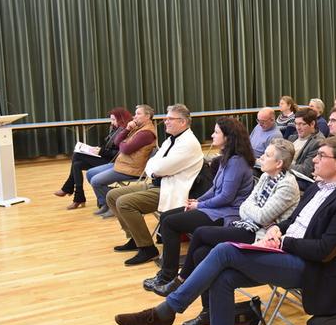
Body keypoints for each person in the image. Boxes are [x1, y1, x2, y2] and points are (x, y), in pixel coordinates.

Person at [115, 137, 336, 325]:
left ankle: (167, 311)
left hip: (309, 268)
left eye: (321, 155)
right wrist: (278, 229)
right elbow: (296, 221)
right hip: (285, 251)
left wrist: (283, 242)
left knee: (223, 251)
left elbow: (324, 251)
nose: (315, 159)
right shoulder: (317, 188)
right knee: (222, 278)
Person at [146, 139, 300, 325]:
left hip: (258, 236)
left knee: (201, 233)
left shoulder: (287, 185)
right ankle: (207, 311)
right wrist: (251, 210)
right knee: (201, 252)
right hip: (245, 224)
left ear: (279, 163)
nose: (262, 157)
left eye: (268, 155)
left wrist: (251, 210)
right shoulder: (265, 177)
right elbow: (245, 208)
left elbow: (261, 216)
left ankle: (181, 279)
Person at [144, 117, 255, 273]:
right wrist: (198, 200)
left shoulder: (236, 162)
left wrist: (199, 205)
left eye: (216, 132)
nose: (212, 135)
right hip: (216, 208)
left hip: (226, 214)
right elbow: (215, 188)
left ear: (228, 137)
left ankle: (168, 274)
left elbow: (226, 197)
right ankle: (167, 272)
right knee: (166, 217)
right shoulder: (227, 158)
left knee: (170, 223)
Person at [106, 104, 204, 265]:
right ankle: (135, 238)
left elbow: (159, 167)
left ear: (183, 122)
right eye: (166, 118)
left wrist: (155, 169)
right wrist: (155, 170)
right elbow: (153, 164)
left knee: (124, 203)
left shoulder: (189, 143)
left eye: (170, 119)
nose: (165, 122)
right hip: (159, 182)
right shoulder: (172, 139)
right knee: (112, 195)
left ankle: (147, 248)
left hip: (171, 189)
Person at [54, 107, 132, 210]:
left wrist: (100, 151)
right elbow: (109, 146)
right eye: (111, 119)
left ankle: (70, 190)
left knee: (77, 155)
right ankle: (78, 197)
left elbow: (118, 153)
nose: (111, 122)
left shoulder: (126, 131)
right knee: (77, 165)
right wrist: (97, 149)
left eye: (114, 119)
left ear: (121, 119)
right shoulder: (116, 129)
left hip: (113, 162)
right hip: (106, 157)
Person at [86, 104, 157, 216]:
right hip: (123, 163)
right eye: (135, 113)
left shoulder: (146, 133)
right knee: (90, 173)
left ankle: (112, 205)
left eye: (138, 114)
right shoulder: (137, 128)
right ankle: (106, 203)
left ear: (147, 116)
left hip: (132, 169)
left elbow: (126, 149)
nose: (135, 116)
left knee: (96, 181)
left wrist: (123, 143)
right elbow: (116, 141)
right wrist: (127, 129)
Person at [288, 107, 326, 189]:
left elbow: (305, 171)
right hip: (286, 175)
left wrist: (282, 164)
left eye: (302, 124)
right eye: (296, 123)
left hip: (299, 182)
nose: (298, 127)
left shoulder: (318, 142)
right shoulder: (292, 138)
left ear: (312, 124)